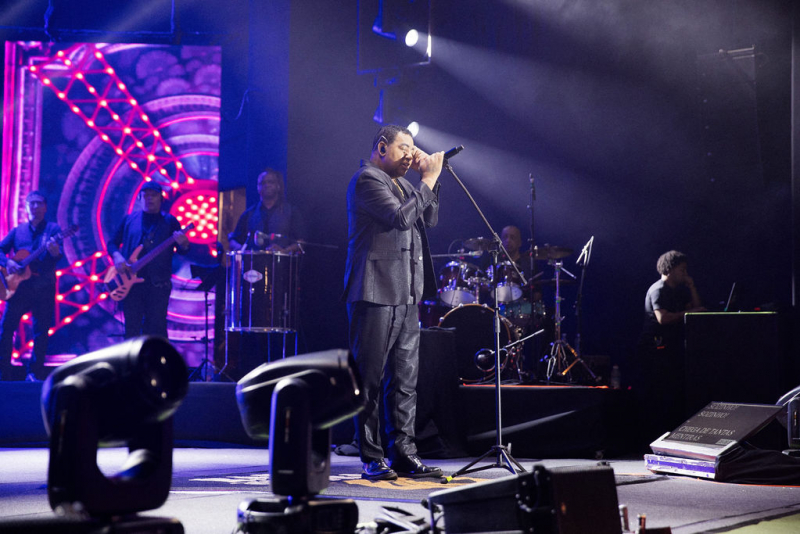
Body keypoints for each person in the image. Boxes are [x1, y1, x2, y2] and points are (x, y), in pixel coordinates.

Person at [342, 124, 445, 480]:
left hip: (406, 292)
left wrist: (429, 181)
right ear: (382, 148)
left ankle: (404, 453)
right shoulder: (367, 179)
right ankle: (371, 455)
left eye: (413, 150)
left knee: (404, 380)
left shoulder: (402, 184)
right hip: (374, 290)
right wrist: (427, 182)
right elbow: (401, 218)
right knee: (368, 379)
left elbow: (427, 218)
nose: (410, 155)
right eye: (404, 149)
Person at [636, 250, 706, 442]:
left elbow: (698, 310)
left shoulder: (678, 291)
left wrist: (692, 287)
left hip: (671, 349)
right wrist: (688, 312)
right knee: (658, 396)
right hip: (655, 348)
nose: (685, 273)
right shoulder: (658, 289)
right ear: (670, 269)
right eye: (682, 270)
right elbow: (663, 318)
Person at [107, 182, 190, 339]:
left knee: (157, 329)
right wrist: (117, 256)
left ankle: (157, 363)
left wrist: (184, 243)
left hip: (158, 285)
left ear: (161, 198)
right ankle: (131, 363)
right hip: (131, 286)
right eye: (146, 195)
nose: (149, 198)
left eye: (153, 195)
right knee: (132, 329)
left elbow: (182, 251)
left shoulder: (170, 221)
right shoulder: (129, 220)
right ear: (139, 198)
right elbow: (112, 244)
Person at [0, 191, 62, 381]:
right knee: (6, 328)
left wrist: (54, 252)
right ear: (26, 208)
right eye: (31, 204)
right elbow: (1, 249)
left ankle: (34, 372)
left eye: (38, 203)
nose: (35, 207)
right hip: (19, 289)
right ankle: (4, 371)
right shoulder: (18, 231)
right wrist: (8, 262)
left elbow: (58, 257)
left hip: (43, 286)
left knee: (41, 331)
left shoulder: (53, 230)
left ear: (45, 207)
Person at [228, 168, 306, 253]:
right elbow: (233, 241)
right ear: (258, 188)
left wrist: (284, 251)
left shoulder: (291, 212)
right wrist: (244, 251)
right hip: (254, 264)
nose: (267, 185)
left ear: (278, 186)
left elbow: (301, 241)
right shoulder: (249, 214)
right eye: (263, 183)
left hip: (282, 264)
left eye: (271, 182)